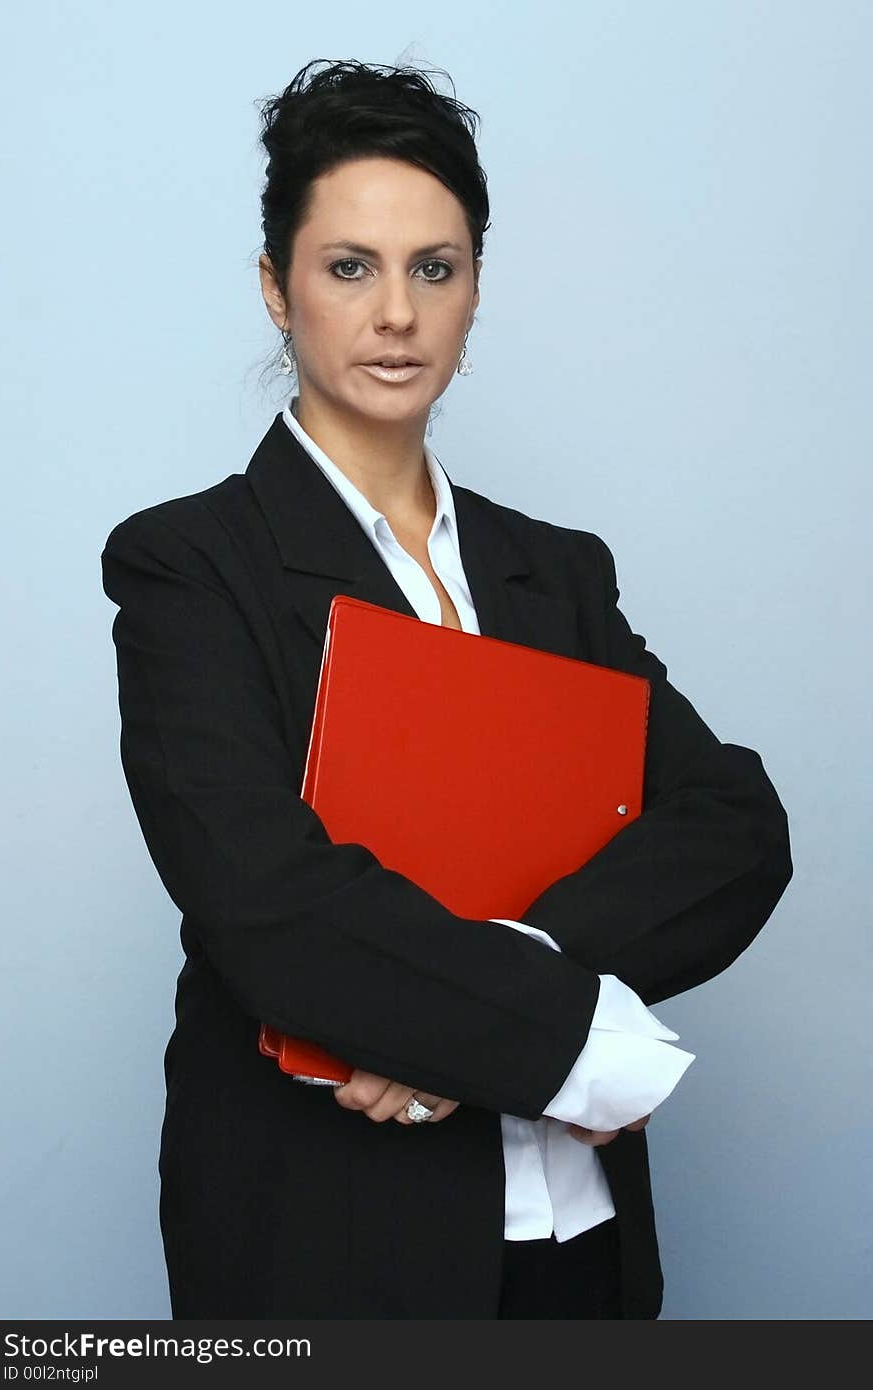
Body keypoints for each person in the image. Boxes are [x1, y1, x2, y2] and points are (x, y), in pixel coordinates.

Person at [100, 59, 793, 1320]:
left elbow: (732, 828)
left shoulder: (556, 572)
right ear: (276, 289)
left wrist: (517, 975)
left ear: (475, 292)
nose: (397, 314)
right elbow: (267, 903)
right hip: (327, 1233)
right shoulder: (191, 565)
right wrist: (563, 1036)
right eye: (347, 266)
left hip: (579, 1234)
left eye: (436, 267)